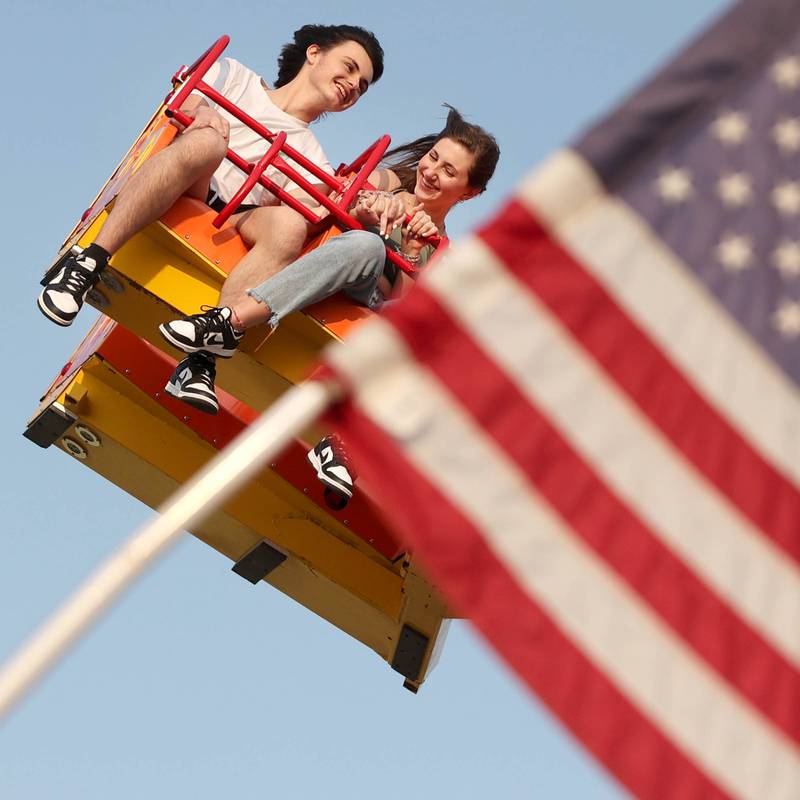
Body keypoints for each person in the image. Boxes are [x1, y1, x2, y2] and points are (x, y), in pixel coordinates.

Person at [158, 105, 500, 503]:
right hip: (326, 271)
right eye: (434, 158)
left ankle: (347, 442)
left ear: (470, 192)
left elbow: (402, 305)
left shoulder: (443, 251)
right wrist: (369, 207)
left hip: (368, 318)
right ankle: (229, 322)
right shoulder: (388, 181)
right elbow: (350, 198)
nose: (432, 171)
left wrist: (411, 248)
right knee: (366, 244)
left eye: (449, 172)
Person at [37, 24, 384, 327]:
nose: (353, 84)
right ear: (315, 53)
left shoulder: (315, 158)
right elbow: (184, 103)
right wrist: (204, 112)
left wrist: (355, 208)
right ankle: (88, 262)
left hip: (237, 216)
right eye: (350, 68)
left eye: (362, 85)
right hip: (194, 178)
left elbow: (305, 219)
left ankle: (211, 340)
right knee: (208, 141)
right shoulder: (236, 77)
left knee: (290, 226)